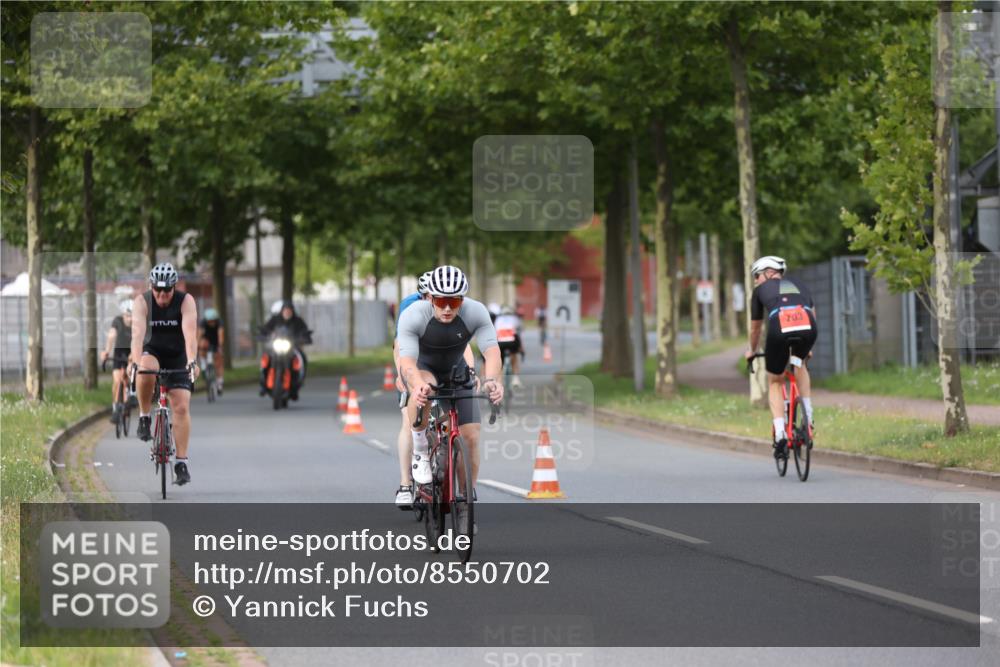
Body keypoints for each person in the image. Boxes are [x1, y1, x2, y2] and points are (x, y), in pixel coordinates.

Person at [397, 265, 504, 531]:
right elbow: (407, 361)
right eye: (442, 301)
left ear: (463, 300)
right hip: (424, 368)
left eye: (454, 301)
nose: (447, 308)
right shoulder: (413, 315)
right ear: (431, 298)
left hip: (456, 369)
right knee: (425, 388)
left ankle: (465, 501)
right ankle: (421, 448)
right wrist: (417, 383)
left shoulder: (476, 312)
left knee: (471, 436)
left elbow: (491, 352)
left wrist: (492, 381)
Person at [130, 263, 199, 486]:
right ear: (151, 287)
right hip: (153, 351)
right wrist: (134, 361)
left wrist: (191, 361)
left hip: (178, 355)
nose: (161, 295)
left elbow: (190, 335)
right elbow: (137, 335)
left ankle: (181, 463)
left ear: (174, 287)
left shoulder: (185, 301)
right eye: (157, 290)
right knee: (145, 367)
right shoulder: (142, 302)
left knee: (180, 406)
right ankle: (144, 416)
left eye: (167, 291)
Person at [743, 255, 818, 459]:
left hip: (779, 329)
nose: (756, 281)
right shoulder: (799, 284)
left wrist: (751, 349)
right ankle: (808, 419)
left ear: (768, 273)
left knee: (775, 380)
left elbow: (756, 329)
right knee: (799, 363)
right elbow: (812, 312)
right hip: (808, 328)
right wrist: (807, 346)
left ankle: (781, 435)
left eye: (757, 276)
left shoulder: (759, 291)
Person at [392, 271, 433, 509]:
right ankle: (406, 484)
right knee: (409, 421)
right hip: (412, 360)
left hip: (439, 364)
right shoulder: (410, 306)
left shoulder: (450, 306)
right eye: (429, 296)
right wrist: (401, 374)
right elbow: (400, 344)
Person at [259, 300, 311, 399]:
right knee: (266, 358)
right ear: (282, 311)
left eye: (289, 310)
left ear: (292, 311)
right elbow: (266, 329)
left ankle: (297, 383)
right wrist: (263, 335)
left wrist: (304, 337)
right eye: (285, 310)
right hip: (276, 346)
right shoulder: (275, 319)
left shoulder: (298, 321)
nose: (287, 312)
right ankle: (263, 383)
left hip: (292, 347)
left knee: (302, 357)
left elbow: (304, 331)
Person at [100, 299, 134, 423]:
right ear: (123, 315)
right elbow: (111, 336)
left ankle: (130, 396)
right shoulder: (117, 321)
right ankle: (116, 408)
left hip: (132, 353)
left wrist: (133, 356)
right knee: (116, 381)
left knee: (128, 376)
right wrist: (106, 351)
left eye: (132, 316)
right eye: (127, 316)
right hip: (119, 353)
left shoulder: (137, 324)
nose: (130, 319)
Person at [494, 304, 524, 388]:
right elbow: (518, 332)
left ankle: (499, 380)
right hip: (512, 341)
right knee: (514, 356)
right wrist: (521, 349)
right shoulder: (515, 318)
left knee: (500, 361)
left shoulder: (497, 319)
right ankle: (515, 379)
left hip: (500, 342)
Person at [198, 307, 224, 394]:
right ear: (206, 320)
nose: (212, 323)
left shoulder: (220, 322)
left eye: (213, 321)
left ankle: (219, 383)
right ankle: (204, 365)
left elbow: (220, 335)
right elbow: (199, 335)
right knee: (202, 345)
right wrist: (197, 345)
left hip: (215, 340)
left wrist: (220, 346)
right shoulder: (203, 322)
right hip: (207, 339)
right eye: (210, 321)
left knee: (218, 361)